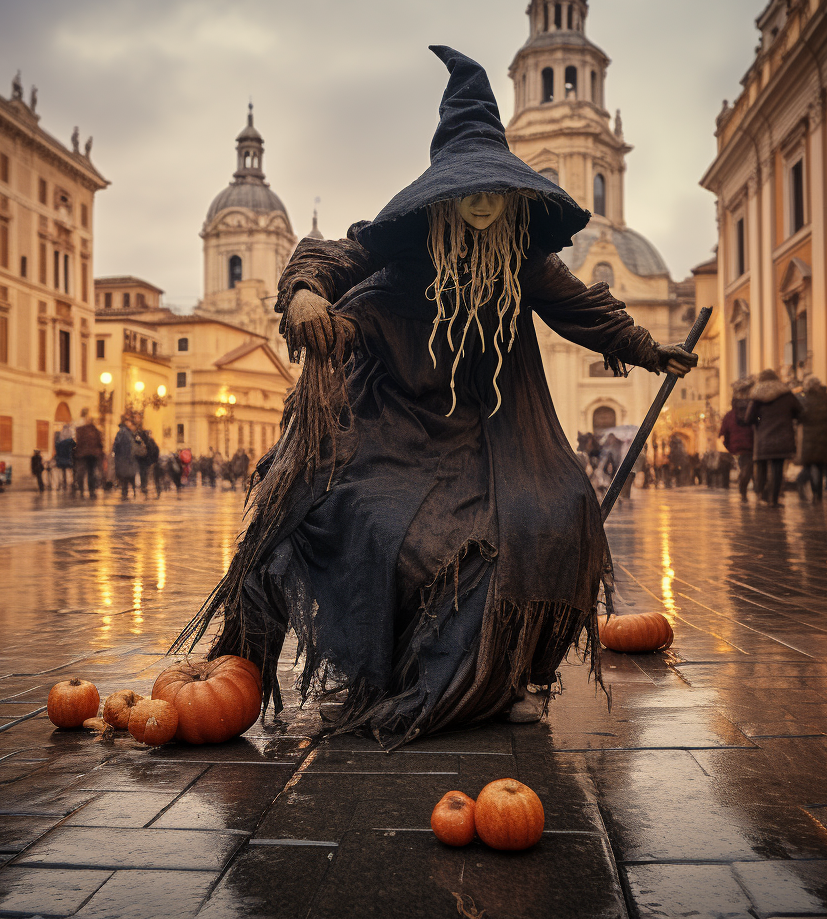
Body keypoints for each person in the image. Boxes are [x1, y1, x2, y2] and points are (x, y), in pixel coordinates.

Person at [172, 46, 696, 744]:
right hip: (388, 423)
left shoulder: (519, 254)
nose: (481, 206)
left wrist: (643, 348)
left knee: (550, 513)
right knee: (375, 525)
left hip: (489, 432)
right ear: (442, 193)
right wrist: (301, 299)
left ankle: (493, 674)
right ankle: (399, 667)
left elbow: (583, 309)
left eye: (493, 192)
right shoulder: (402, 239)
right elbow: (327, 260)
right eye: (468, 192)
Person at [741, 369, 801, 507]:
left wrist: (759, 423)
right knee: (778, 469)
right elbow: (799, 412)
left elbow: (748, 418)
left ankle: (761, 496)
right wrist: (787, 418)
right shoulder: (786, 394)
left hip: (763, 437)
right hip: (783, 436)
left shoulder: (757, 396)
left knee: (761, 466)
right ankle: (774, 499)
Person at [794, 376, 827, 504]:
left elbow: (799, 417)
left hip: (808, 436)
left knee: (809, 465)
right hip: (824, 435)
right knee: (819, 466)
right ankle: (817, 495)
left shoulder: (804, 400)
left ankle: (800, 481)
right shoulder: (826, 399)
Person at [74, 412, 104, 497]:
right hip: (92, 455)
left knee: (81, 473)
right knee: (91, 473)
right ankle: (91, 491)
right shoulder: (96, 430)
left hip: (82, 455)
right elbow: (100, 443)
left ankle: (81, 491)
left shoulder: (80, 430)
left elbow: (77, 443)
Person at [113, 419, 138, 501]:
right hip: (127, 458)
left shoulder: (121, 433)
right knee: (128, 476)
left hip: (121, 458)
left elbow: (115, 446)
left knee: (124, 476)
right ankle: (128, 492)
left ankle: (125, 492)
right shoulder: (128, 433)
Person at [54, 424, 76, 494]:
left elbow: (57, 449)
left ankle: (64, 483)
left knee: (63, 472)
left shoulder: (60, 441)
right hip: (70, 459)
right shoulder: (70, 441)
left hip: (61, 459)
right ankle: (73, 483)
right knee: (72, 471)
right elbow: (75, 447)